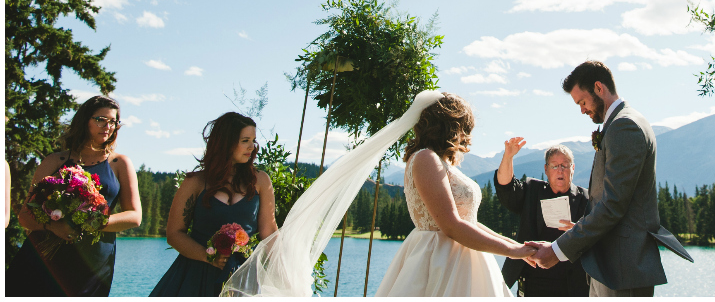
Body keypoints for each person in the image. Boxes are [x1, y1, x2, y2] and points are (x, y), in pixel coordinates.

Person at [221, 90, 536, 297]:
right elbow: (451, 225)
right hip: (438, 260)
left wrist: (518, 246)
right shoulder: (425, 158)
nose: (468, 135)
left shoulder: (440, 162)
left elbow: (470, 221)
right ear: (451, 125)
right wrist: (513, 252)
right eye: (465, 127)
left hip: (467, 260)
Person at [527, 60, 691, 296]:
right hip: (609, 264)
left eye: (582, 101)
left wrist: (556, 250)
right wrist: (580, 231)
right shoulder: (620, 123)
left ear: (599, 88)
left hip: (621, 268)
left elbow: (613, 204)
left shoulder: (625, 126)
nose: (582, 109)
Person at [6, 95, 142, 296]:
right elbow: (25, 216)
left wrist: (91, 222)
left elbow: (134, 216)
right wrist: (54, 226)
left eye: (113, 121)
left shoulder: (119, 164)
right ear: (84, 120)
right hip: (43, 258)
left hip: (93, 263)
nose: (108, 126)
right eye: (100, 119)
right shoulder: (54, 161)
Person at [149, 112, 277, 296]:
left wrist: (286, 267)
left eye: (253, 140)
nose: (252, 147)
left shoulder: (261, 181)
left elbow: (269, 232)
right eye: (245, 140)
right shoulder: (195, 182)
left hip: (243, 278)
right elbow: (174, 233)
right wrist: (208, 256)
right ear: (226, 143)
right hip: (194, 276)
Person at [494, 140, 589, 296]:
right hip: (533, 283)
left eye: (565, 165)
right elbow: (506, 187)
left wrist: (578, 231)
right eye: (554, 166)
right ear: (546, 169)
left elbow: (598, 236)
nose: (560, 170)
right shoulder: (532, 190)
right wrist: (508, 156)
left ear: (572, 168)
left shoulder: (587, 199)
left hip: (573, 286)